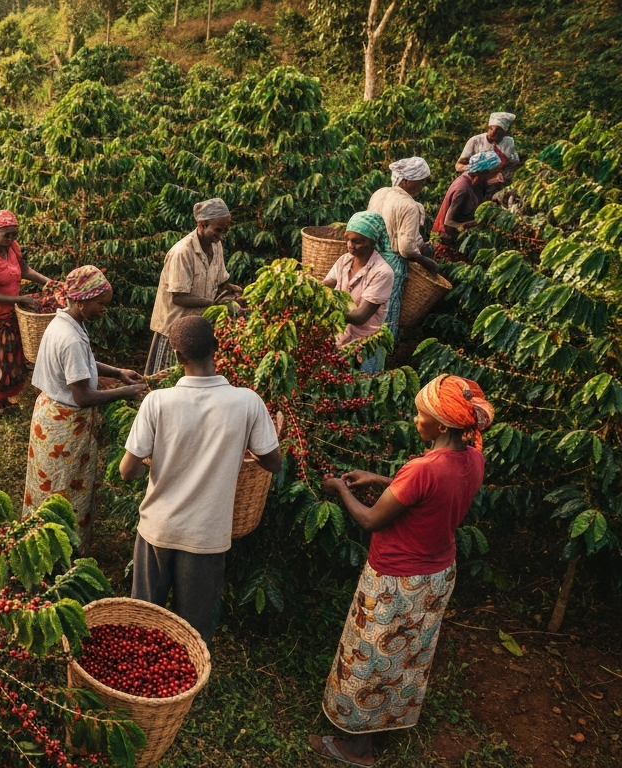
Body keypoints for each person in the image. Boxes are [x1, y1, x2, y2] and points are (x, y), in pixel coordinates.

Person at [312, 374, 493, 767]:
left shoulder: (423, 468)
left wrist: (341, 490)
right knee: (406, 655)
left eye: (420, 414)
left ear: (441, 425)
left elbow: (371, 520)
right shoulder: (474, 457)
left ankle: (356, 747)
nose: (415, 420)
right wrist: (378, 479)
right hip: (437, 575)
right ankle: (389, 719)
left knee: (370, 656)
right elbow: (429, 495)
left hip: (397, 579)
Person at [118, 316, 281, 643]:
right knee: (192, 632)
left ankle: (140, 687)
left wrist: (148, 467)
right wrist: (263, 438)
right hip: (206, 536)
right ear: (216, 347)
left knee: (142, 622)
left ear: (177, 356)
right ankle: (184, 686)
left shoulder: (157, 402)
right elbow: (272, 463)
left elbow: (127, 470)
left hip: (157, 530)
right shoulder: (247, 402)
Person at [24, 265, 147, 552]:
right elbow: (82, 396)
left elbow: (85, 363)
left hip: (50, 413)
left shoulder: (66, 322)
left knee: (51, 486)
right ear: (81, 301)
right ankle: (59, 552)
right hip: (64, 425)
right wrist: (126, 392)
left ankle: (44, 543)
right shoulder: (68, 339)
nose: (104, 310)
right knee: (63, 490)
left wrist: (117, 372)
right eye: (101, 305)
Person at [146, 198, 243, 375]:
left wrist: (235, 292)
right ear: (202, 224)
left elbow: (220, 282)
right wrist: (213, 305)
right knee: (166, 380)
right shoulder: (182, 252)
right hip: (174, 330)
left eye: (224, 231)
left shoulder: (216, 245)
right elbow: (179, 296)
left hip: (199, 329)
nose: (221, 235)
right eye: (217, 230)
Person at [0, 209, 56, 410]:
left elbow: (25, 270)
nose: (11, 239)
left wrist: (48, 282)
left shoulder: (13, 248)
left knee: (8, 358)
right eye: (6, 234)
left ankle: (3, 400)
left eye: (14, 234)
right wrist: (21, 298)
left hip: (12, 313)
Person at [323, 212, 403, 373]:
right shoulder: (344, 260)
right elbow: (327, 284)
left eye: (357, 241)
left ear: (372, 242)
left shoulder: (382, 272)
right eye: (348, 240)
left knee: (362, 390)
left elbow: (360, 316)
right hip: (339, 339)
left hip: (366, 346)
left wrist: (325, 309)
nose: (350, 245)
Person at [366, 157, 438, 275]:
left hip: (370, 258)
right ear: (405, 181)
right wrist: (425, 262)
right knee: (390, 293)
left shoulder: (379, 193)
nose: (422, 185)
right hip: (391, 266)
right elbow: (406, 248)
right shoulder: (409, 206)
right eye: (421, 180)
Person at [432, 152, 502, 249]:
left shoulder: (477, 180)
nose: (495, 175)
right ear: (481, 172)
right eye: (493, 172)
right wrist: (472, 224)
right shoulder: (462, 190)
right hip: (447, 241)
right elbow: (448, 223)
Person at [454, 112, 520, 185]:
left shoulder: (508, 142)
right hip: (475, 181)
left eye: (499, 135)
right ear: (489, 129)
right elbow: (458, 166)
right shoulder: (475, 141)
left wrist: (502, 173)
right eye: (493, 131)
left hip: (498, 183)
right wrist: (474, 168)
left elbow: (514, 162)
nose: (495, 140)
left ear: (504, 133)